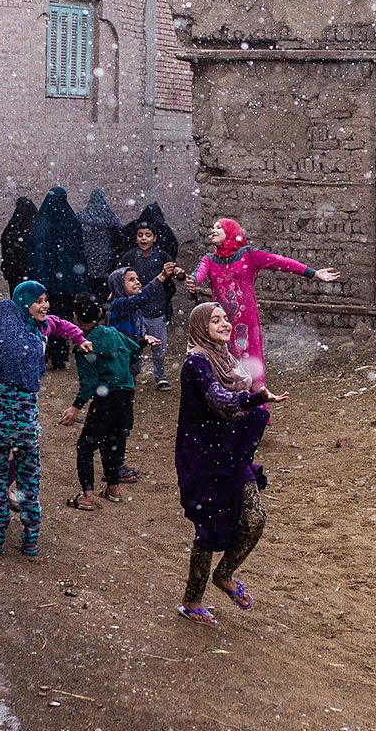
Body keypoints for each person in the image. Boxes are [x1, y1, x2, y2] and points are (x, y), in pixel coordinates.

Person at [174, 302, 285, 625]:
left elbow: (232, 400)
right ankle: (191, 601)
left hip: (230, 451)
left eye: (225, 318)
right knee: (208, 529)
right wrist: (255, 398)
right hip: (203, 456)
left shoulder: (227, 359)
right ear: (200, 328)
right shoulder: (196, 363)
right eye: (215, 320)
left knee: (254, 519)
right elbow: (217, 399)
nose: (224, 324)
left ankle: (224, 575)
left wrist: (255, 399)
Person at [0, 283, 90, 528]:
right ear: (24, 303)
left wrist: (79, 338)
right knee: (0, 453)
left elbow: (62, 325)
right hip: (0, 410)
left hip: (21, 408)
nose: (44, 305)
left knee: (10, 452)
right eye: (38, 301)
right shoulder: (5, 336)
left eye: (46, 299)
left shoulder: (43, 325)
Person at [187, 218, 340, 390]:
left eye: (219, 227)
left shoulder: (248, 255)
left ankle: (257, 409)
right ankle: (229, 409)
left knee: (251, 366)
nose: (212, 231)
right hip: (221, 322)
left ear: (230, 232)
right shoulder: (209, 259)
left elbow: (281, 262)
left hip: (246, 321)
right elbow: (198, 274)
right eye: (212, 227)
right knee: (223, 366)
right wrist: (192, 281)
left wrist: (313, 273)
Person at [57, 296, 148, 510]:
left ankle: (87, 496)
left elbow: (89, 384)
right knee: (112, 442)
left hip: (105, 398)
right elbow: (135, 352)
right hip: (126, 395)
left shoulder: (84, 345)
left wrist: (75, 407)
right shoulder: (114, 333)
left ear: (76, 317)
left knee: (85, 446)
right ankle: (113, 488)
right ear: (99, 314)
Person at [27, 187, 89, 369]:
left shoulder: (40, 223)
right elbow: (78, 254)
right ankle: (60, 356)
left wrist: (38, 279)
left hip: (45, 284)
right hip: (66, 285)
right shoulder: (71, 222)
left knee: (43, 317)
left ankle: (44, 353)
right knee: (63, 319)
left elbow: (35, 255)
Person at [122, 218, 183, 389]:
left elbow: (176, 273)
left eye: (148, 235)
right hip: (136, 309)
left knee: (159, 346)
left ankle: (160, 376)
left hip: (156, 308)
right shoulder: (130, 257)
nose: (143, 239)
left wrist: (178, 272)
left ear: (155, 238)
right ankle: (131, 376)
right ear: (135, 238)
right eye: (140, 235)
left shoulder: (162, 256)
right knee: (135, 345)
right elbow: (120, 275)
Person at [76, 189, 122, 302]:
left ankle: (90, 309)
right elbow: (120, 226)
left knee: (89, 290)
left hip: (87, 257)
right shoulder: (107, 215)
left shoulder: (82, 216)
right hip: (104, 257)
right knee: (103, 291)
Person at [0, 196, 36, 290]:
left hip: (14, 275)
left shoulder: (10, 231)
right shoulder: (36, 230)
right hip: (33, 274)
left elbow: (6, 254)